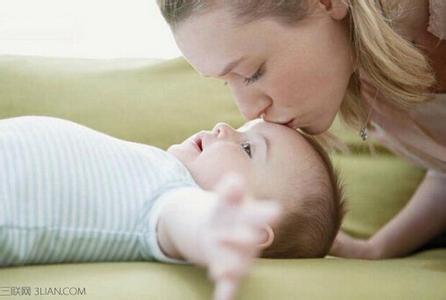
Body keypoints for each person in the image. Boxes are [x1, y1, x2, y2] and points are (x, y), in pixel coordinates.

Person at [157, 0, 446, 260]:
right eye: (225, 81)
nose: (247, 112)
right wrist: (375, 249)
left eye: (252, 73)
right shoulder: (365, 76)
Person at [0, 116, 344, 300]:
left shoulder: (175, 197)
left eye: (248, 148)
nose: (224, 127)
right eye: (241, 129)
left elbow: (185, 220)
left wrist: (214, 230)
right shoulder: (161, 170)